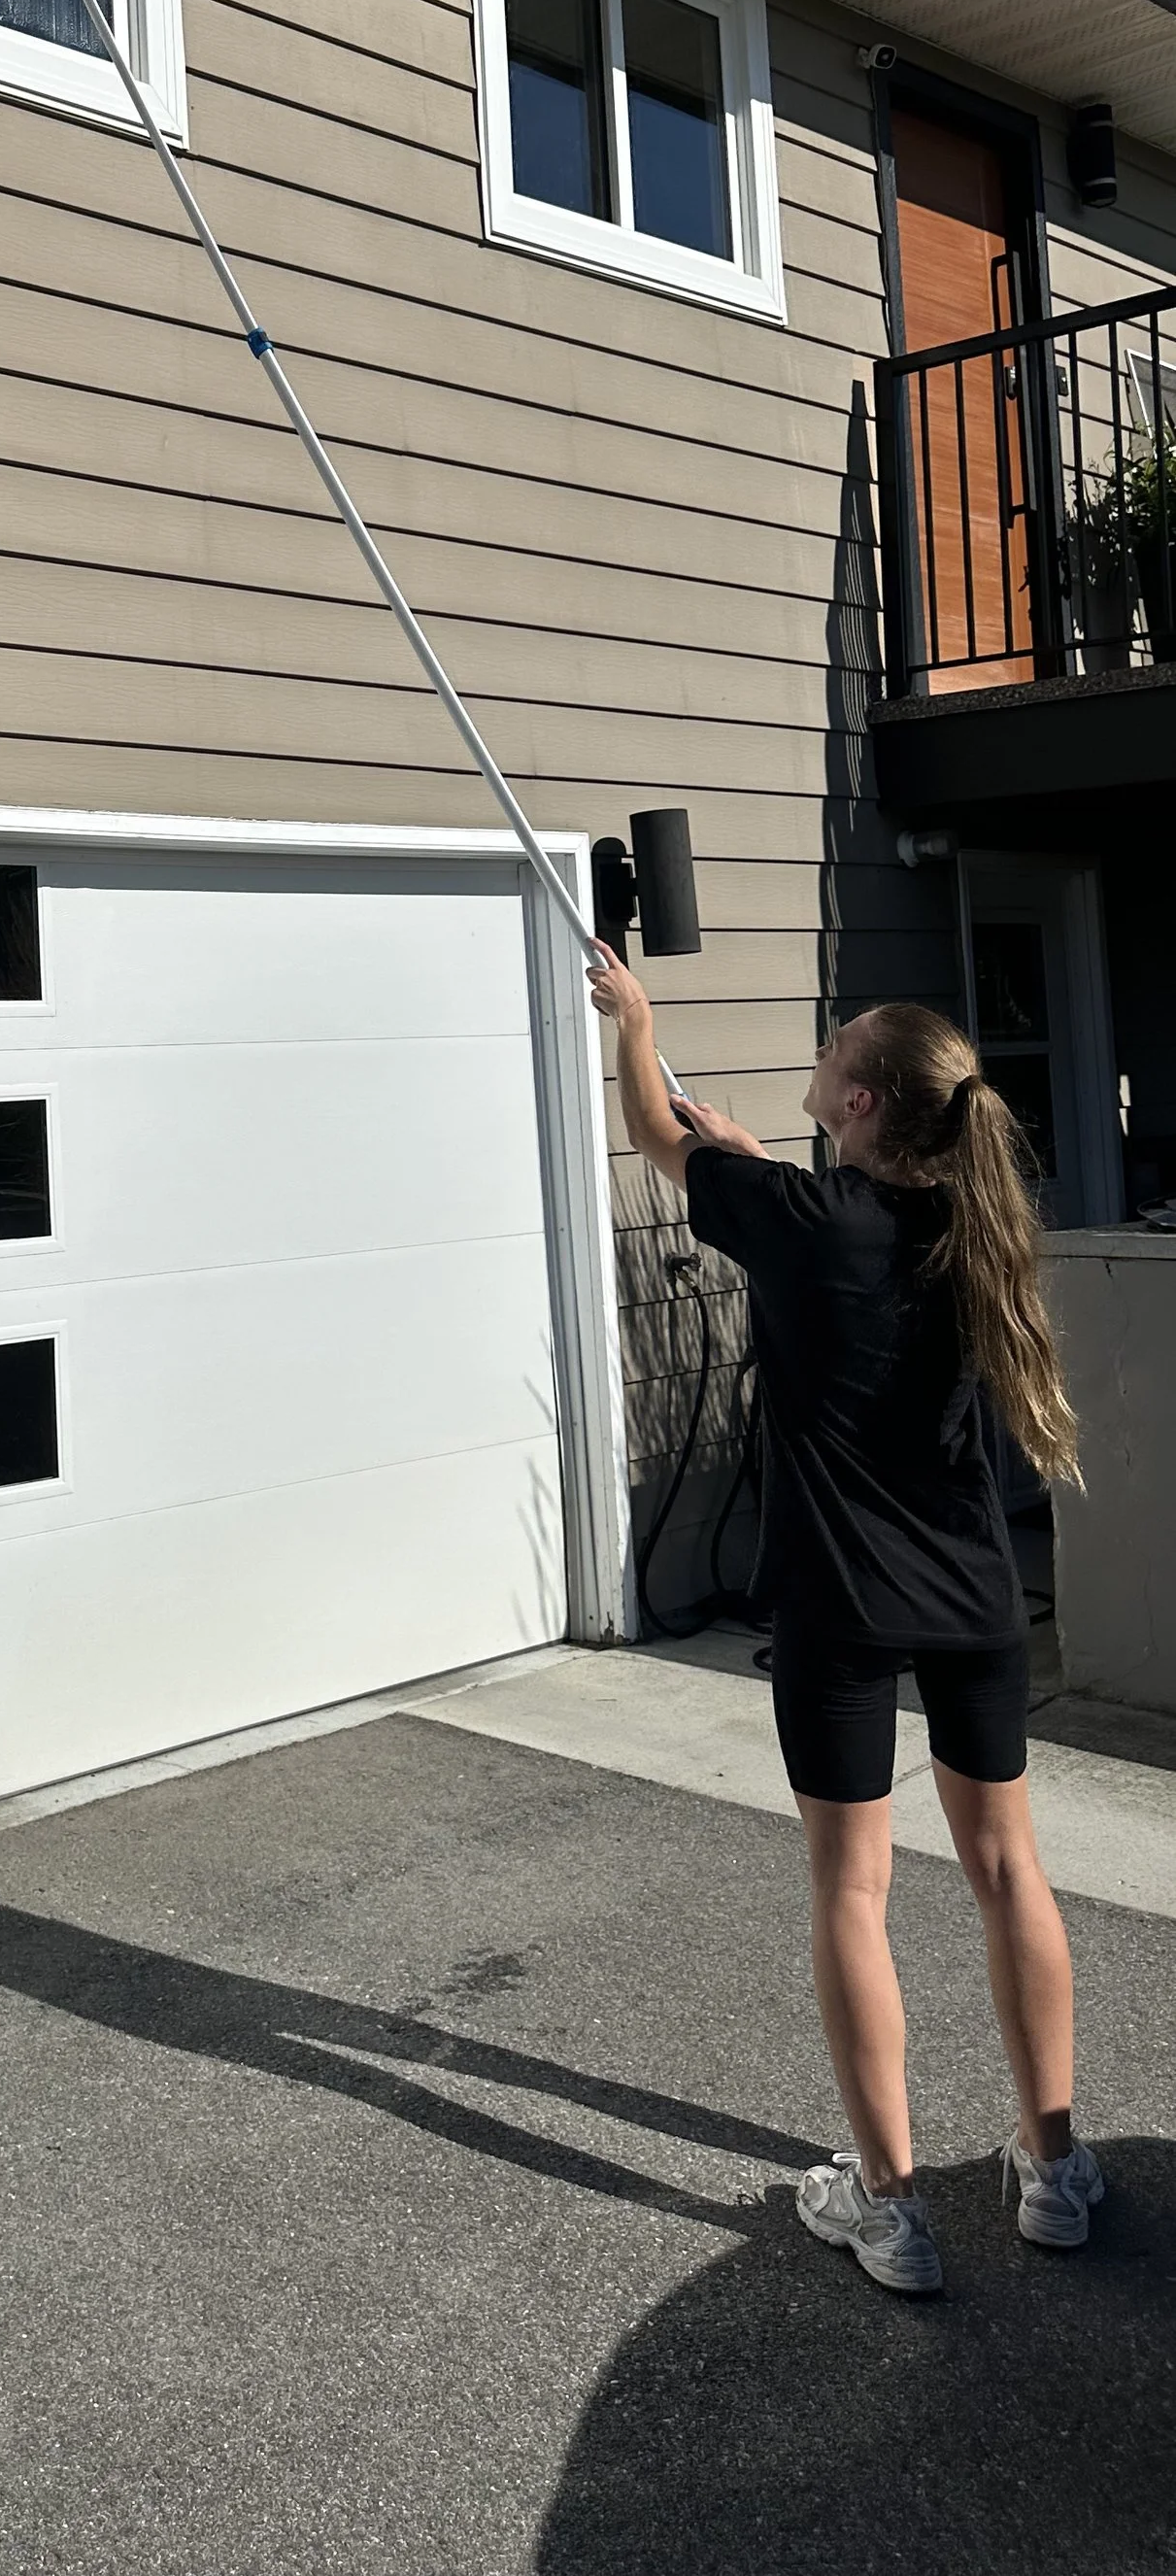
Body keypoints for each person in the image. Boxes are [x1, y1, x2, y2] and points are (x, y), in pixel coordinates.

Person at [588, 947, 1099, 2296]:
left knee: (854, 1891)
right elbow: (805, 1211)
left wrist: (635, 1023)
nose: (819, 1060)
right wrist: (757, 1163)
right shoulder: (964, 1227)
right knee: (1011, 1873)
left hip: (844, 1609)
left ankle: (889, 2205)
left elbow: (650, 1130)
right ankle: (1056, 2171)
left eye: (836, 1053)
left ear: (862, 1104)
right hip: (975, 1602)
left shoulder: (803, 1225)